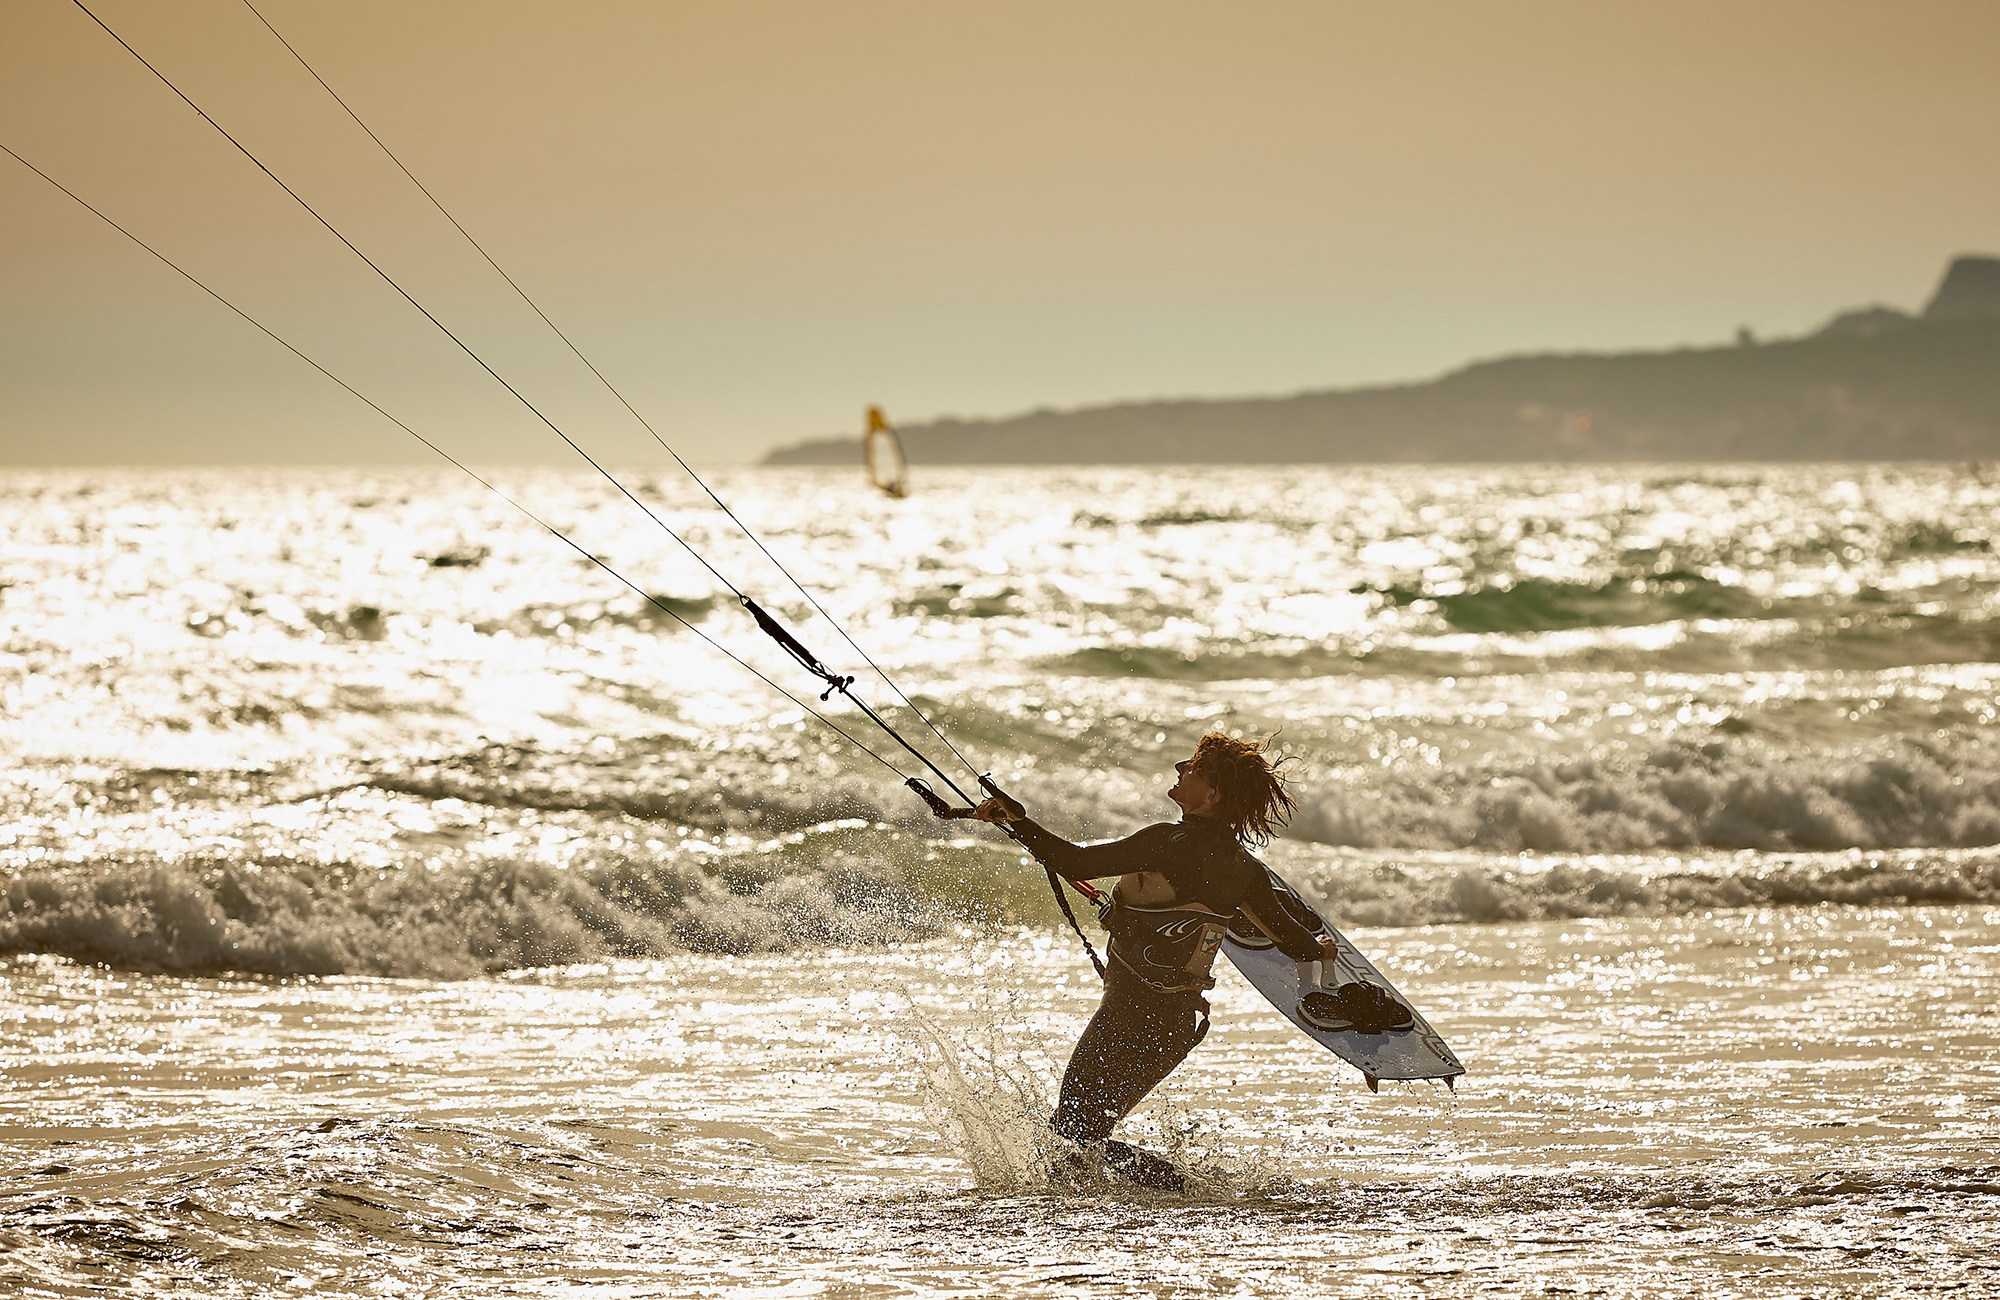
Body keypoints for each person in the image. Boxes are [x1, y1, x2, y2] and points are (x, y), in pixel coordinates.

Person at [969, 732, 1338, 1162]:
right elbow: (1294, 941)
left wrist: (1017, 823)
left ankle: (1185, 1192)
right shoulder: (1246, 871)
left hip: (1130, 1015)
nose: (1182, 768)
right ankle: (1186, 1193)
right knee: (1081, 1139)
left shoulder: (1168, 843)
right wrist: (1320, 949)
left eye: (1194, 769)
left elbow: (1077, 863)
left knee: (1069, 1137)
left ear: (1212, 795)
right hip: (1174, 1028)